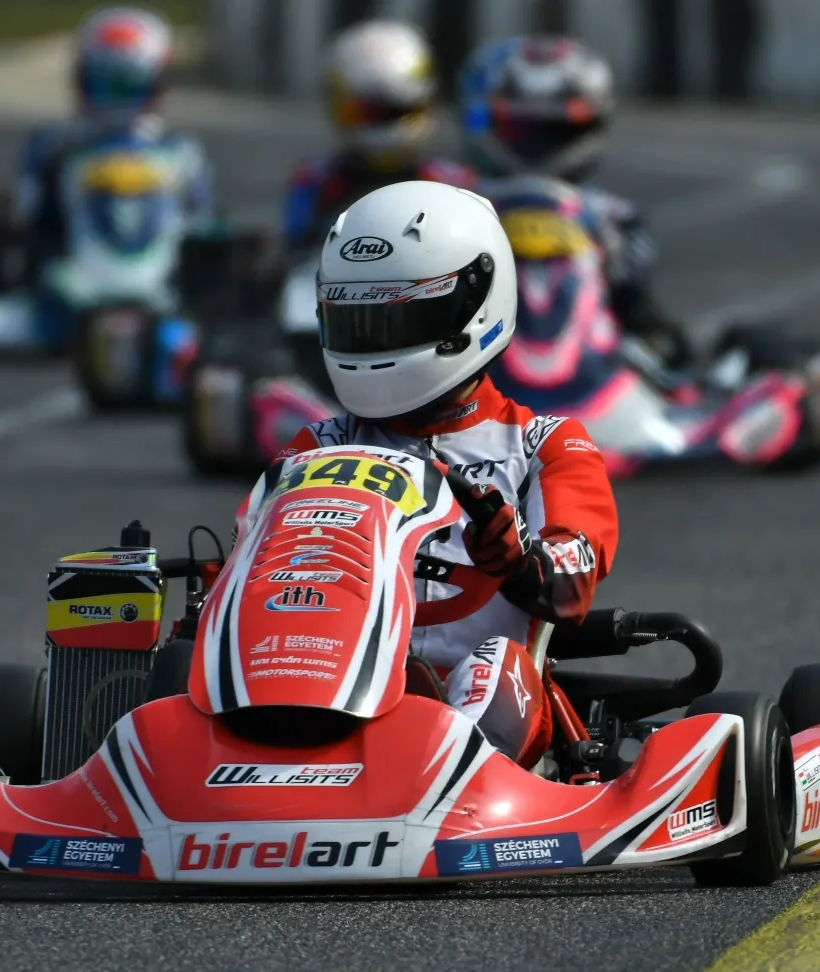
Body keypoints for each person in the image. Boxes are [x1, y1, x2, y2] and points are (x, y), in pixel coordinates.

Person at [240, 180, 619, 769]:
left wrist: (520, 560)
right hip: (323, 680)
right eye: (355, 324)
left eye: (392, 324)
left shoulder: (543, 444)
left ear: (470, 306)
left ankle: (444, 779)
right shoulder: (319, 447)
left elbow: (574, 577)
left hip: (474, 697)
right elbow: (248, 564)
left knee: (492, 663)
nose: (371, 347)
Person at [459, 34, 690, 368]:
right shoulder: (460, 208)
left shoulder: (616, 220)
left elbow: (636, 311)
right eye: (523, 129)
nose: (537, 143)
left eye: (553, 131)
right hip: (476, 369)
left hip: (592, 372)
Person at [15, 7, 214, 277]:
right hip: (70, 273)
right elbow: (28, 214)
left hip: (160, 275)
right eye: (104, 85)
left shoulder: (180, 152)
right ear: (81, 82)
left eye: (129, 86)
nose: (116, 100)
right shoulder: (53, 147)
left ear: (158, 87)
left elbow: (199, 220)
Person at [282, 21, 477, 254]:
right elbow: (293, 252)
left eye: (395, 111)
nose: (382, 123)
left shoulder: (456, 185)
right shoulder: (314, 181)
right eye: (369, 113)